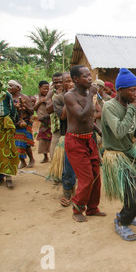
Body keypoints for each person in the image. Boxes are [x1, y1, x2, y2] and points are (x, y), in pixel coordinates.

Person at [101, 68, 136, 241]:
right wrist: (132, 109)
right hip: (116, 156)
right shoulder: (110, 107)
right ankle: (121, 221)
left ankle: (129, 215)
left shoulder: (132, 108)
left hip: (129, 155)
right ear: (121, 90)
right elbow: (120, 131)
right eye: (133, 90)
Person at [64, 65, 105, 222]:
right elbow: (81, 115)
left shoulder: (89, 95)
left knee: (96, 175)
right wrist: (91, 96)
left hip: (89, 139)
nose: (90, 79)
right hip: (75, 141)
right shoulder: (70, 96)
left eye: (90, 76)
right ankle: (77, 209)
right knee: (86, 178)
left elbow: (90, 118)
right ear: (76, 79)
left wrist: (99, 131)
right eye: (86, 76)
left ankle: (93, 208)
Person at [52, 72, 77, 207]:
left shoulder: (83, 95)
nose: (70, 84)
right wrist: (70, 98)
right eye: (66, 81)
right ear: (62, 84)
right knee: (68, 167)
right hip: (68, 135)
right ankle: (67, 191)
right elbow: (62, 116)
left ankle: (81, 193)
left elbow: (96, 112)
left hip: (83, 135)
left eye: (72, 80)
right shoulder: (59, 98)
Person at [8, 80, 36, 169]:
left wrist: (24, 105)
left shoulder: (25, 97)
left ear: (18, 88)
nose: (9, 88)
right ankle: (23, 161)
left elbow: (31, 111)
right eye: (8, 86)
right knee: (17, 143)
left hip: (25, 122)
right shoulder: (8, 98)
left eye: (11, 86)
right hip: (14, 123)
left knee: (26, 143)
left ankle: (31, 159)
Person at [46, 73, 64, 160]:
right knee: (54, 156)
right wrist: (58, 97)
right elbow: (48, 109)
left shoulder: (72, 92)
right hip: (56, 129)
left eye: (60, 82)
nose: (58, 85)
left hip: (69, 129)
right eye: (55, 83)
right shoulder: (51, 94)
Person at [34, 81, 52, 164]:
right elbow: (33, 108)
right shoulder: (36, 97)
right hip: (42, 121)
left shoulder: (50, 97)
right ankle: (45, 156)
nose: (46, 90)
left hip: (50, 121)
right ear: (39, 88)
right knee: (43, 139)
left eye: (47, 89)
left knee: (51, 139)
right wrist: (40, 102)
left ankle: (52, 156)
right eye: (44, 88)